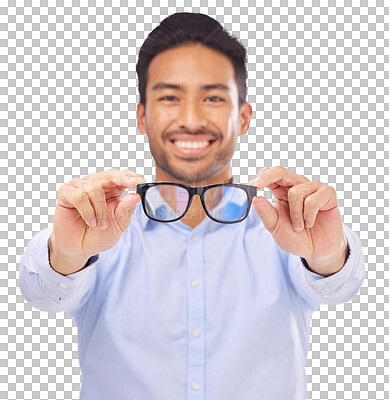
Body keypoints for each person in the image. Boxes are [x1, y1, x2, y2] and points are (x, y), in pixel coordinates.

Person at [19, 12, 366, 400]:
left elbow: (341, 288)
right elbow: (41, 293)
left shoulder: (286, 230)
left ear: (244, 117)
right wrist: (65, 255)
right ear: (142, 116)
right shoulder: (97, 230)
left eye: (214, 97)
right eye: (169, 97)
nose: (191, 119)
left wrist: (331, 254)